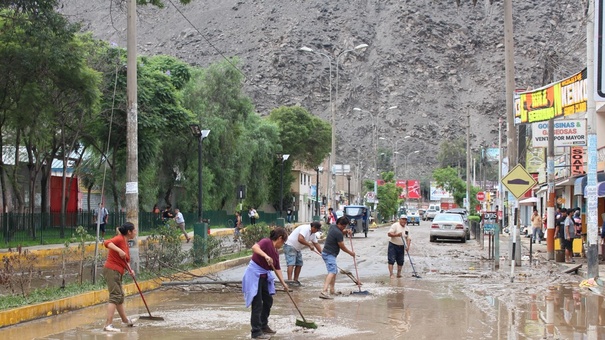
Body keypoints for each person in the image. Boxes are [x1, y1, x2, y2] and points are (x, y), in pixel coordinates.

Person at [242, 227, 289, 339]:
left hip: (264, 277)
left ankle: (263, 325)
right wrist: (265, 256)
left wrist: (284, 283)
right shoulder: (266, 242)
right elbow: (254, 247)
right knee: (257, 304)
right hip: (254, 275)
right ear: (280, 238)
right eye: (283, 242)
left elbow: (277, 269)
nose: (282, 245)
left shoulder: (276, 253)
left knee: (268, 300)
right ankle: (256, 332)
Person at [102, 222, 137, 332]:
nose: (135, 232)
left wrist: (130, 270)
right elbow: (107, 242)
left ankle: (125, 321)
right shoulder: (120, 239)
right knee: (115, 296)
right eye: (134, 230)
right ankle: (108, 324)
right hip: (112, 270)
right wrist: (119, 250)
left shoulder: (126, 243)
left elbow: (126, 260)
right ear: (129, 232)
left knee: (119, 296)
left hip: (118, 271)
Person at [320, 216, 355, 299]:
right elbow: (342, 246)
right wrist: (351, 253)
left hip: (327, 253)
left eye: (345, 226)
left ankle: (332, 290)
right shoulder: (338, 233)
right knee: (332, 271)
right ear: (339, 224)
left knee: (334, 271)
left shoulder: (333, 227)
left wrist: (346, 231)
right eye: (343, 226)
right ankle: (324, 291)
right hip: (329, 254)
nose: (344, 228)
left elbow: (340, 232)